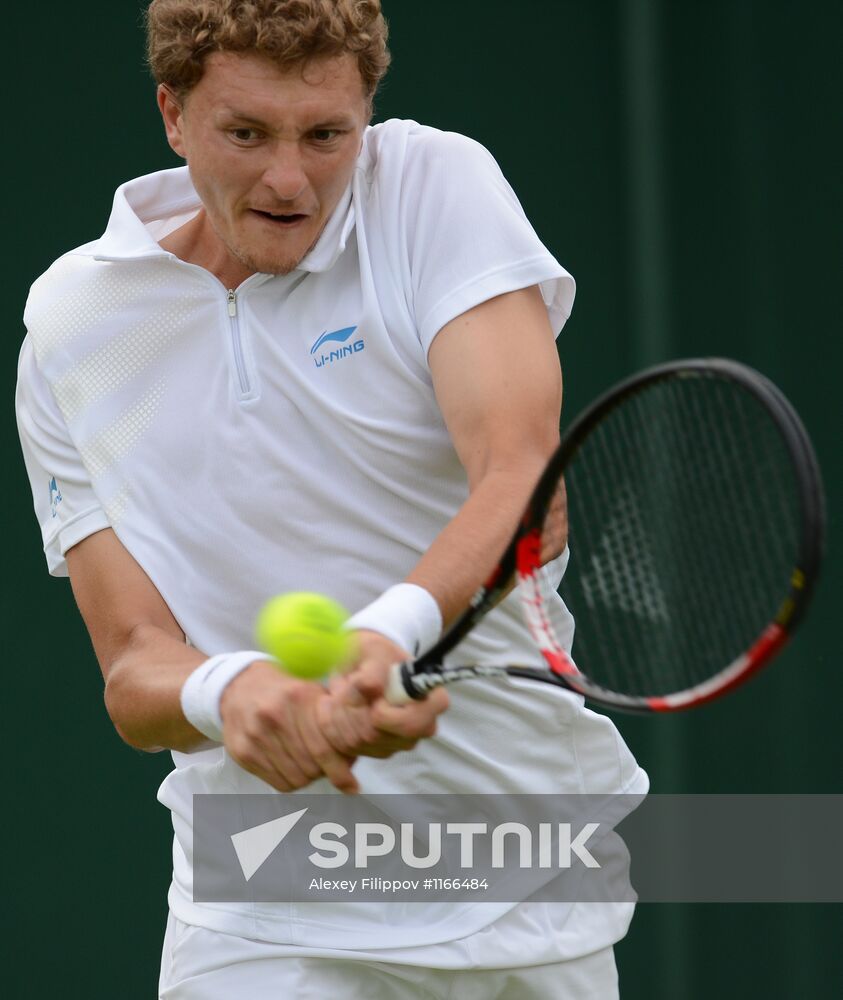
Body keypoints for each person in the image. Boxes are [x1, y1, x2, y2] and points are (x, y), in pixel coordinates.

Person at [16, 1, 647, 996]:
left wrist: (385, 637)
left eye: (325, 135)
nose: (288, 178)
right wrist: (233, 695)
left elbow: (521, 470)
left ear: (367, 115)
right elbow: (135, 666)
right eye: (246, 134)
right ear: (172, 116)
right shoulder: (72, 322)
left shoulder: (435, 186)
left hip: (523, 888)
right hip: (260, 910)